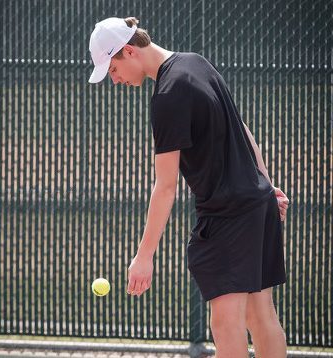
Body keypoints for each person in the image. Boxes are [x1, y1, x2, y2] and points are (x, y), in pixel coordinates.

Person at [88, 17, 289, 358]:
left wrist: (144, 256)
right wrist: (266, 187)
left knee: (226, 323)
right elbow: (241, 127)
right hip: (254, 203)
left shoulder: (167, 95)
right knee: (261, 314)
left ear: (128, 51)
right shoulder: (196, 62)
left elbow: (165, 187)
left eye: (113, 69)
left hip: (228, 215)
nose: (115, 79)